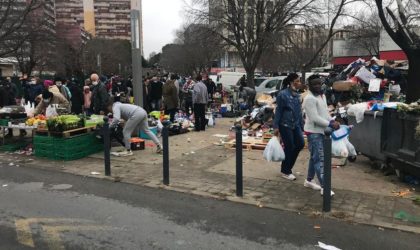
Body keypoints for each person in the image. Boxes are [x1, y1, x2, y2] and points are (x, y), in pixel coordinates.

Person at [303, 75, 340, 196]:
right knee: (320, 159)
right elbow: (314, 118)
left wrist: (332, 121)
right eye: (314, 84)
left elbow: (324, 114)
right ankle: (325, 186)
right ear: (309, 86)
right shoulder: (309, 99)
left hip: (321, 131)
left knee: (315, 157)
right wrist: (330, 123)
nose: (317, 86)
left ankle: (308, 180)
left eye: (319, 83)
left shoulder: (322, 96)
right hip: (313, 132)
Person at [273, 73, 304, 181]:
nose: (299, 83)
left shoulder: (298, 95)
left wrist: (301, 125)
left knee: (300, 144)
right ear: (291, 82)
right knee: (289, 146)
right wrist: (276, 126)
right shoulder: (283, 94)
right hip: (285, 124)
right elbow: (278, 110)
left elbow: (299, 112)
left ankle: (287, 167)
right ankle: (286, 171)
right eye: (297, 81)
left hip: (296, 124)